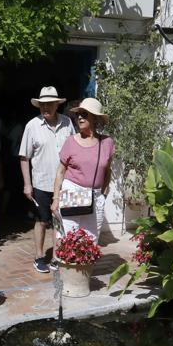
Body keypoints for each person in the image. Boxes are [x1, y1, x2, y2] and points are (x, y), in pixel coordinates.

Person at [18, 86, 74, 273]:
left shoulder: (67, 123)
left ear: (57, 105)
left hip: (64, 183)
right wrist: (27, 184)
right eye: (42, 104)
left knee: (59, 221)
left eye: (49, 104)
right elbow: (24, 157)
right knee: (42, 221)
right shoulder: (32, 126)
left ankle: (57, 257)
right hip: (41, 183)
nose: (45, 108)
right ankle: (39, 256)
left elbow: (75, 150)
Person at [52, 97, 114, 244]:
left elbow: (108, 171)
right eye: (78, 114)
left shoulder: (107, 143)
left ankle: (86, 268)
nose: (80, 117)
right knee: (69, 239)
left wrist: (103, 195)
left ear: (95, 118)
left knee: (91, 242)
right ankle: (67, 267)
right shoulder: (71, 142)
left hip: (95, 197)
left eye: (84, 114)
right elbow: (60, 172)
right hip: (72, 193)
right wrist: (55, 199)